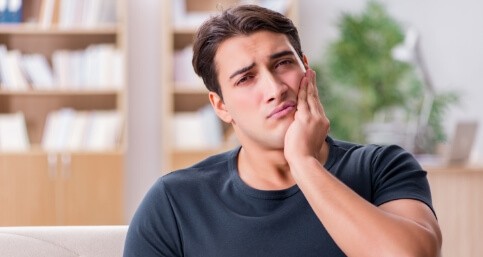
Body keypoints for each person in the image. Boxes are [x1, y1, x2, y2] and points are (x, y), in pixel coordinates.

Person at [123, 4, 442, 257]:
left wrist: (304, 164)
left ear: (307, 70)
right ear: (220, 106)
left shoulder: (382, 167)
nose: (275, 88)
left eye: (283, 64)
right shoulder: (175, 203)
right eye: (246, 78)